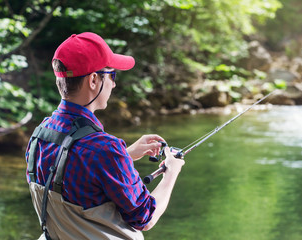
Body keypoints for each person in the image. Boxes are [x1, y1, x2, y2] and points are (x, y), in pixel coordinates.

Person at [25, 32, 185, 240]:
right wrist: (171, 171)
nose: (114, 84)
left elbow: (71, 176)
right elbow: (145, 217)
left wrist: (125, 155)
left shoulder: (39, 137)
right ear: (93, 80)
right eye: (112, 75)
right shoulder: (105, 149)